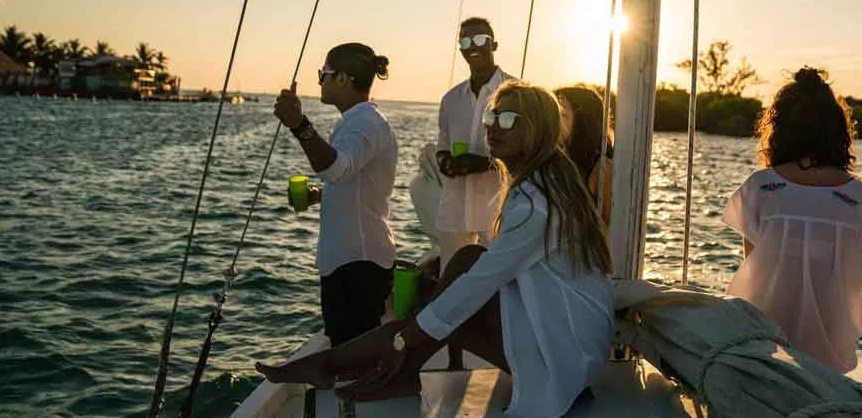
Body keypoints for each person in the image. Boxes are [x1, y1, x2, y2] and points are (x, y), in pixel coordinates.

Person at [256, 83, 615, 418]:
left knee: (454, 292)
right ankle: (358, 365)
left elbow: (480, 285)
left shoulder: (536, 202)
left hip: (565, 360)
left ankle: (336, 364)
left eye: (508, 120)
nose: (493, 127)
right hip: (568, 340)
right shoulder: (548, 180)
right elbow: (486, 272)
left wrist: (405, 339)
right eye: (491, 117)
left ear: (538, 129)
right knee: (462, 262)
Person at [721, 67, 862, 374]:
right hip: (830, 341)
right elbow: (842, 269)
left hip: (764, 335)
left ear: (779, 127)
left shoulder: (761, 187)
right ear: (838, 130)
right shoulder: (859, 199)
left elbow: (753, 264)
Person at [274, 42, 399, 347]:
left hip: (356, 264)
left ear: (343, 78)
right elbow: (350, 179)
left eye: (324, 74)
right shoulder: (360, 121)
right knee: (351, 348)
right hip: (354, 258)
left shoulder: (364, 125)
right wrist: (319, 195)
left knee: (354, 354)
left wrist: (298, 124)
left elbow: (337, 169)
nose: (320, 80)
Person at [435, 17, 514, 263]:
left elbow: (525, 151)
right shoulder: (451, 99)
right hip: (455, 208)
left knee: (500, 286)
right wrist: (445, 161)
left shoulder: (515, 93)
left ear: (494, 45)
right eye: (466, 41)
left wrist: (480, 163)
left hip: (498, 211)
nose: (473, 46)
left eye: (480, 39)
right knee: (450, 280)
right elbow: (442, 145)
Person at [554, 86, 614, 227]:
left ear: (583, 120)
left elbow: (611, 230)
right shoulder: (556, 162)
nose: (553, 120)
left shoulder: (602, 170)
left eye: (561, 114)